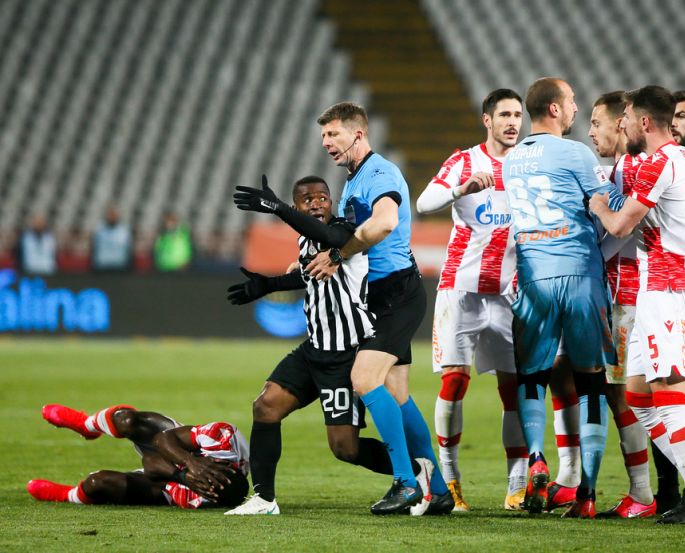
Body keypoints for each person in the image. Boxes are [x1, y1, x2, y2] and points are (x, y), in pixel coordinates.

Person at [228, 175, 440, 514]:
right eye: (306, 199)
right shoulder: (304, 242)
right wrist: (267, 285)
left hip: (347, 356)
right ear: (299, 205)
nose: (315, 203)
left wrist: (277, 208)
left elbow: (329, 240)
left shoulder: (346, 233)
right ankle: (264, 499)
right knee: (266, 405)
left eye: (321, 197)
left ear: (332, 202)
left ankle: (417, 472)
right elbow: (308, 272)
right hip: (314, 351)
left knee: (345, 449)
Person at [293, 102, 449, 515]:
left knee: (364, 379)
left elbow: (382, 223)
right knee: (396, 392)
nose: (326, 142)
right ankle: (438, 487)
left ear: (358, 134)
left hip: (396, 293)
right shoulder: (355, 177)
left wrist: (339, 254)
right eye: (323, 136)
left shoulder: (379, 174)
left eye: (334, 134)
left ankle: (405, 482)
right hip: (384, 294)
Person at [589, 85, 685, 524]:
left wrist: (599, 204)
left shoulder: (662, 162)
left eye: (626, 116)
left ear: (645, 122)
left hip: (671, 289)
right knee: (639, 396)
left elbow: (622, 224)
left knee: (668, 394)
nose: (621, 123)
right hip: (657, 289)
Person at [503, 77, 623, 516]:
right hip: (578, 274)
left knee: (532, 377)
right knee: (592, 382)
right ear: (554, 109)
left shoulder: (511, 160)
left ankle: (536, 458)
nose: (576, 109)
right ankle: (587, 494)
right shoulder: (576, 153)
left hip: (532, 278)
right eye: (571, 102)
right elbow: (609, 208)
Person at [415, 89, 527, 511]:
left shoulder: (527, 166)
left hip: (509, 294)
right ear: (487, 120)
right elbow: (424, 203)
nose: (513, 122)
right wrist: (461, 189)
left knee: (512, 388)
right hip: (460, 291)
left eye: (518, 114)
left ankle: (516, 486)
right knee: (454, 381)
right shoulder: (465, 161)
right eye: (504, 115)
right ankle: (451, 482)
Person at [588, 91, 656, 518]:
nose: (592, 131)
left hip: (627, 296)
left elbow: (625, 231)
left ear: (621, 124)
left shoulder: (631, 168)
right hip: (617, 295)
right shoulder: (617, 169)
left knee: (627, 396)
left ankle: (645, 494)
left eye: (598, 123)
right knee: (619, 394)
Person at [28, 404, 249, 510]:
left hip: (171, 477)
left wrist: (182, 476)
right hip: (176, 443)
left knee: (97, 483)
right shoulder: (222, 438)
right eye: (207, 474)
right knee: (127, 421)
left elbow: (150, 465)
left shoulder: (198, 498)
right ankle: (87, 426)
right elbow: (162, 439)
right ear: (218, 461)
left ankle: (68, 495)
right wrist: (191, 462)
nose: (201, 477)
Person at [92, 205, 132, 271]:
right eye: (110, 214)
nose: (112, 217)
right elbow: (94, 248)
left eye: (114, 214)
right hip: (102, 267)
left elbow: (128, 250)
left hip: (120, 267)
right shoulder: (99, 229)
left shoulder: (124, 230)